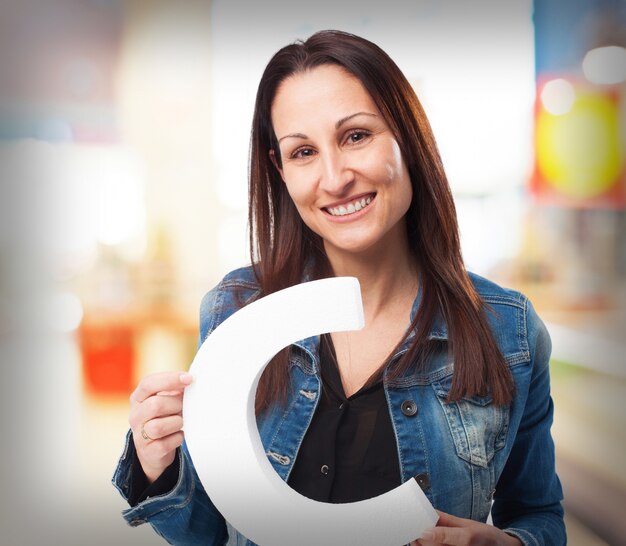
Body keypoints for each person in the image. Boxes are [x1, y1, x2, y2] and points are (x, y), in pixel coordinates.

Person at [113, 30, 566, 545]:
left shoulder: (509, 332)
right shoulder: (235, 309)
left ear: (407, 138)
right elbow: (208, 536)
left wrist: (508, 543)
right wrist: (158, 469)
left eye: (356, 136)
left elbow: (539, 514)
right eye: (303, 151)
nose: (334, 178)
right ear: (280, 171)